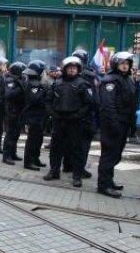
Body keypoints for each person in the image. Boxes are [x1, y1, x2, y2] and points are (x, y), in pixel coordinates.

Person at [44, 57, 94, 187]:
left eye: (74, 68)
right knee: (55, 148)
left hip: (75, 122)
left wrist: (77, 115)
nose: (72, 70)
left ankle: (76, 176)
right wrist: (53, 114)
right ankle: (54, 171)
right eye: (70, 68)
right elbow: (48, 101)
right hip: (59, 120)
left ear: (78, 69)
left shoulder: (83, 84)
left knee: (76, 149)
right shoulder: (57, 83)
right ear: (65, 69)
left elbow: (88, 104)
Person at [96, 52, 137, 198]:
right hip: (113, 123)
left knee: (115, 155)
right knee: (109, 154)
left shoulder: (128, 80)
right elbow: (108, 105)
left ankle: (109, 181)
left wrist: (132, 124)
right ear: (115, 64)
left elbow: (132, 102)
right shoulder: (110, 80)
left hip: (124, 123)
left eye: (127, 63)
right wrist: (114, 125)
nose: (125, 66)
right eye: (122, 63)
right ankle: (103, 185)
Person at [68, 49, 98, 180]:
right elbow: (93, 98)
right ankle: (79, 169)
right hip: (85, 116)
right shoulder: (89, 76)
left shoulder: (68, 73)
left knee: (70, 142)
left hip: (70, 114)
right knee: (83, 145)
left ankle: (69, 165)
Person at [21, 60, 48, 171]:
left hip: (38, 115)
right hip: (33, 115)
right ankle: (28, 162)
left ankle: (35, 158)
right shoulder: (34, 84)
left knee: (38, 139)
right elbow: (34, 99)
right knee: (32, 140)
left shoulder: (35, 82)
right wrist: (43, 91)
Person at [2, 61, 27, 165]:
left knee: (16, 133)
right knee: (10, 133)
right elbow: (9, 94)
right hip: (11, 110)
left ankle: (13, 153)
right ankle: (6, 155)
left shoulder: (19, 80)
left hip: (19, 109)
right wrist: (20, 88)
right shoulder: (10, 80)